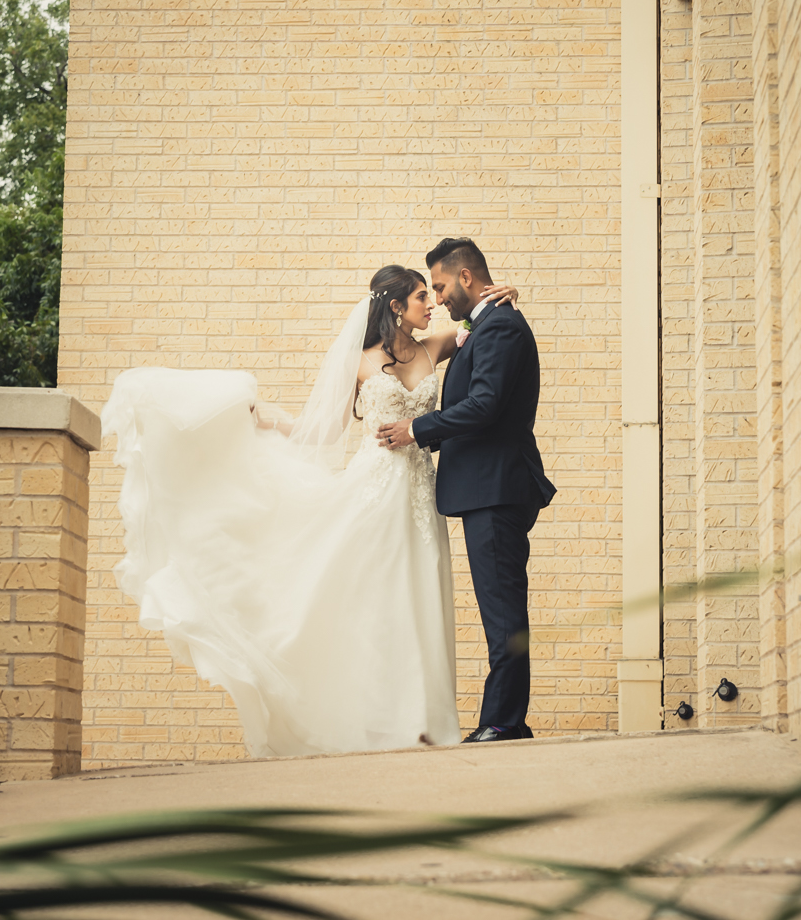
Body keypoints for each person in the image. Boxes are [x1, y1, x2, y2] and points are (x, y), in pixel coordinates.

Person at [103, 263, 516, 756]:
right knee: (376, 604)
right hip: (374, 492)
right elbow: (322, 432)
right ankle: (380, 725)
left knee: (422, 596)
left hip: (423, 497)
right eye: (423, 298)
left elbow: (479, 326)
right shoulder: (360, 362)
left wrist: (504, 295)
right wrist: (267, 420)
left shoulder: (437, 345)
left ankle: (426, 723)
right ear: (395, 307)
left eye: (434, 297)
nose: (433, 305)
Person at [377, 237, 555, 742]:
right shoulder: (487, 324)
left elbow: (484, 405)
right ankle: (503, 717)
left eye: (439, 285)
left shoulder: (499, 326)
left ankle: (504, 721)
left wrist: (416, 429)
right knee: (499, 609)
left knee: (503, 612)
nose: (437, 298)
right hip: (486, 490)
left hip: (495, 491)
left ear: (466, 278)